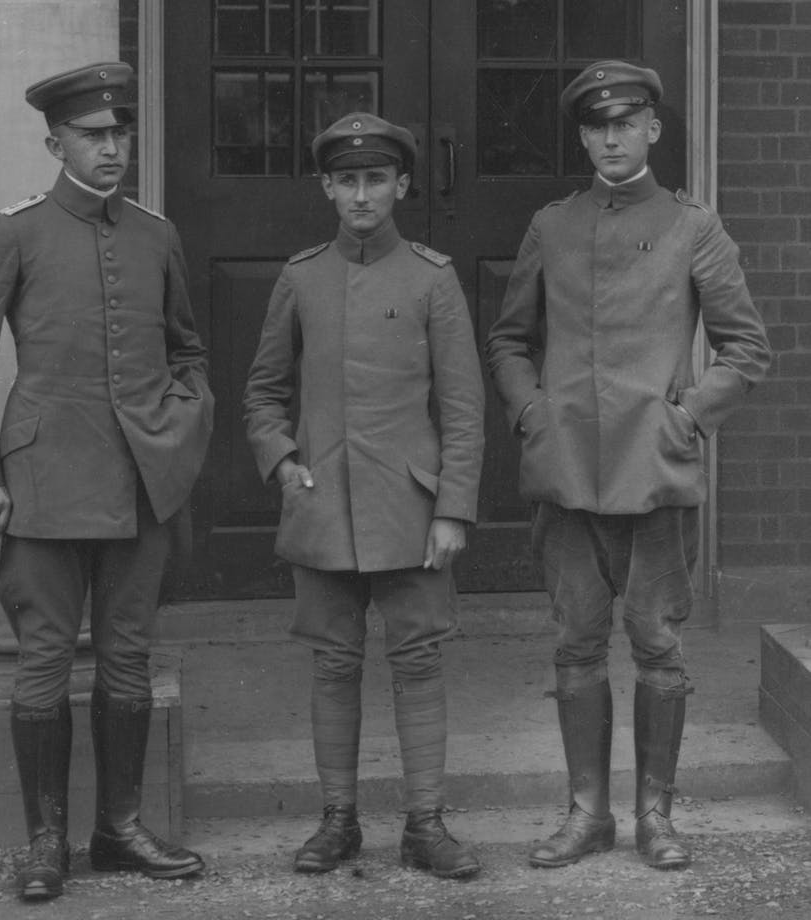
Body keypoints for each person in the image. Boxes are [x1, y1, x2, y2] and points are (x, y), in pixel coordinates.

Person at [0, 62, 214, 901]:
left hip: (139, 484)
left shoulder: (156, 235)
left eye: (120, 132)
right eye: (92, 135)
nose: (111, 147)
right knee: (45, 662)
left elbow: (187, 351)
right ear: (56, 145)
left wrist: (181, 429)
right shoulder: (12, 234)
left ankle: (119, 829)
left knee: (128, 657)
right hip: (44, 483)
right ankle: (46, 841)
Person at [486, 60, 770, 871]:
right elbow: (509, 340)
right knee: (576, 642)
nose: (611, 138)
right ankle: (587, 815)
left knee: (656, 644)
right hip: (568, 473)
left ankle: (656, 817)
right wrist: (532, 413)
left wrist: (688, 417)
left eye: (625, 123)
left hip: (655, 472)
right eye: (596, 126)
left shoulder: (691, 226)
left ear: (652, 128)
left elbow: (747, 347)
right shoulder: (552, 226)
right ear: (583, 137)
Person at [244, 112, 485, 878]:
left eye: (375, 178)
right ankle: (338, 820)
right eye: (346, 180)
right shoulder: (301, 277)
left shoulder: (432, 278)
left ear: (401, 184)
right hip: (323, 505)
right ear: (326, 187)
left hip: (409, 509)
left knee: (418, 660)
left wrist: (452, 508)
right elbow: (263, 392)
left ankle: (425, 824)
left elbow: (463, 407)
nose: (360, 194)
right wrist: (283, 461)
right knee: (332, 663)